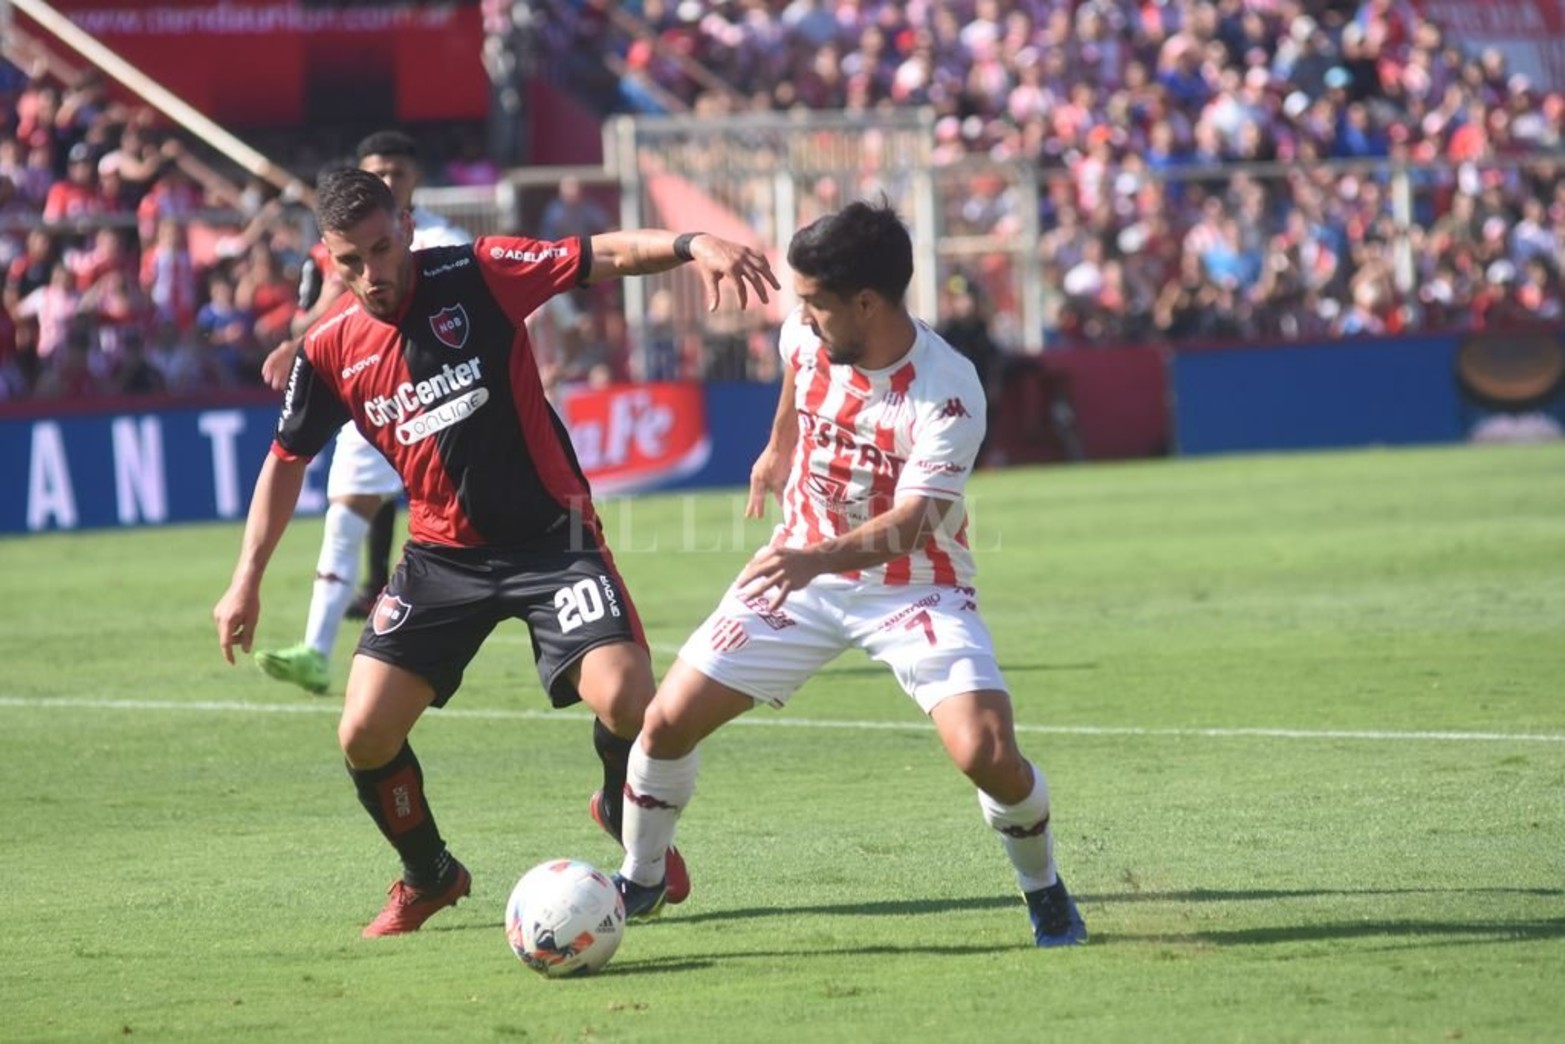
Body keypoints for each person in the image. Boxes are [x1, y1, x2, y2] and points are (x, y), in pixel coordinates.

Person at [212, 168, 779, 937]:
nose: (372, 273)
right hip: (441, 559)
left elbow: (597, 254)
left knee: (627, 698)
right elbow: (284, 463)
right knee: (364, 733)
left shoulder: (475, 274)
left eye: (382, 248)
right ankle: (430, 874)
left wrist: (690, 242)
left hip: (552, 540)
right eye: (351, 261)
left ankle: (619, 803)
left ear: (407, 228)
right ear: (327, 258)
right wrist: (245, 581)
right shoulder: (328, 350)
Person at [611, 201, 1087, 947]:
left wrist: (813, 558)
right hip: (800, 571)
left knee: (986, 752)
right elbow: (798, 380)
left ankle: (1044, 888)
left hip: (913, 587)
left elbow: (914, 523)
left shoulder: (948, 391)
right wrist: (776, 449)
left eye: (814, 301)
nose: (799, 315)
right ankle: (640, 879)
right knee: (664, 723)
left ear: (866, 302)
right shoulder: (808, 332)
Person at [254, 131, 472, 696]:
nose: (391, 182)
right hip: (378, 399)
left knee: (480, 527)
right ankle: (317, 649)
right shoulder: (339, 250)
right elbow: (329, 311)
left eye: (398, 173)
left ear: (415, 178)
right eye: (379, 173)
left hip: (451, 399)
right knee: (344, 513)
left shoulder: (446, 238)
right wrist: (298, 340)